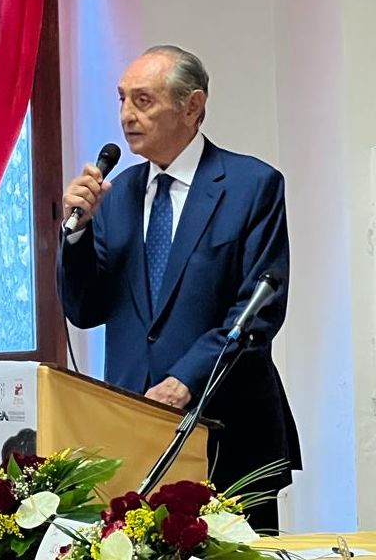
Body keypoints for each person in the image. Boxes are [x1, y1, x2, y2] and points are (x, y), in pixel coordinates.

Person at [57, 45, 301, 530]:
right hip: (136, 433)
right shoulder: (117, 196)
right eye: (122, 99)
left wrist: (185, 379)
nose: (126, 115)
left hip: (227, 430)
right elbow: (85, 310)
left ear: (192, 106)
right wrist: (77, 234)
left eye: (143, 100)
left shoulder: (252, 186)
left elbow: (258, 312)